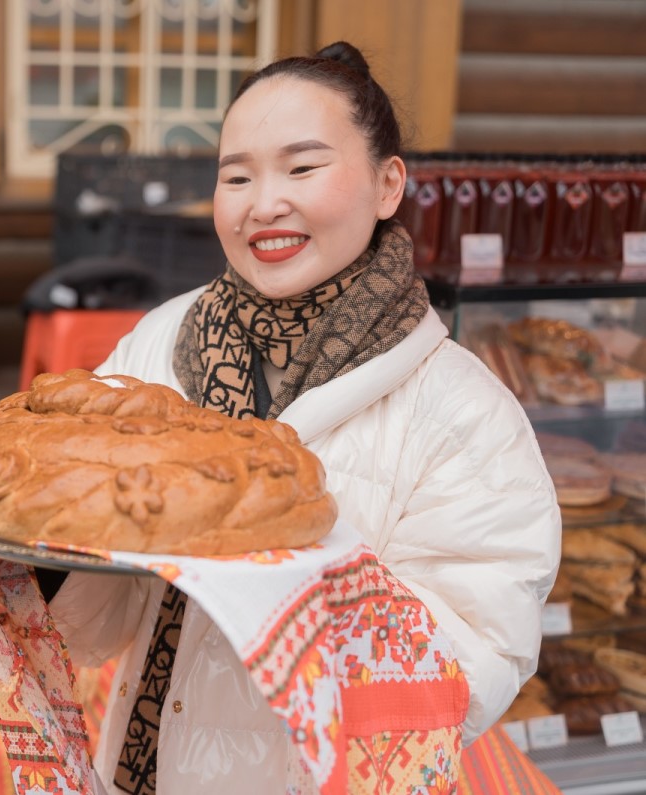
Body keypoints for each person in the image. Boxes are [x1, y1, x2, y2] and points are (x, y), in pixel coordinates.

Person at [42, 42, 561, 792]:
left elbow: (482, 653)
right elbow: (106, 618)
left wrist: (291, 605)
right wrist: (50, 551)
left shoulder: (463, 410)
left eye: (302, 167)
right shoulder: (157, 343)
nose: (263, 202)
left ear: (389, 184)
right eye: (237, 175)